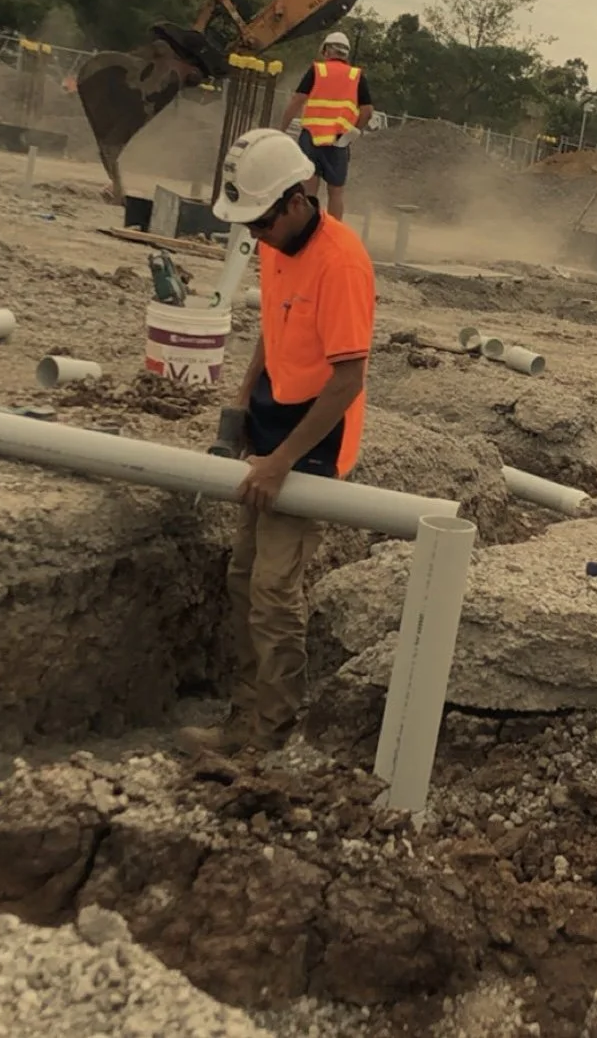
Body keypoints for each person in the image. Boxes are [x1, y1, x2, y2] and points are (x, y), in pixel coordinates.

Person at [180, 128, 376, 756]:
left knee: (272, 591)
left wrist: (283, 462)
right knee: (243, 578)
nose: (255, 235)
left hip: (315, 441)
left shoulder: (341, 263)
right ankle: (242, 718)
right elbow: (273, 327)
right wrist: (242, 399)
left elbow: (348, 381)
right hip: (271, 427)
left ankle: (270, 737)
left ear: (296, 200)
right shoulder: (274, 242)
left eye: (261, 221)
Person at [279, 30, 374, 220]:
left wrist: (281, 129)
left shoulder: (317, 70)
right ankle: (334, 233)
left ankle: (306, 230)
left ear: (326, 50)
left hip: (312, 138)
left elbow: (297, 101)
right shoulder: (356, 76)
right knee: (336, 192)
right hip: (339, 141)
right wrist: (353, 132)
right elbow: (368, 111)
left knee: (308, 188)